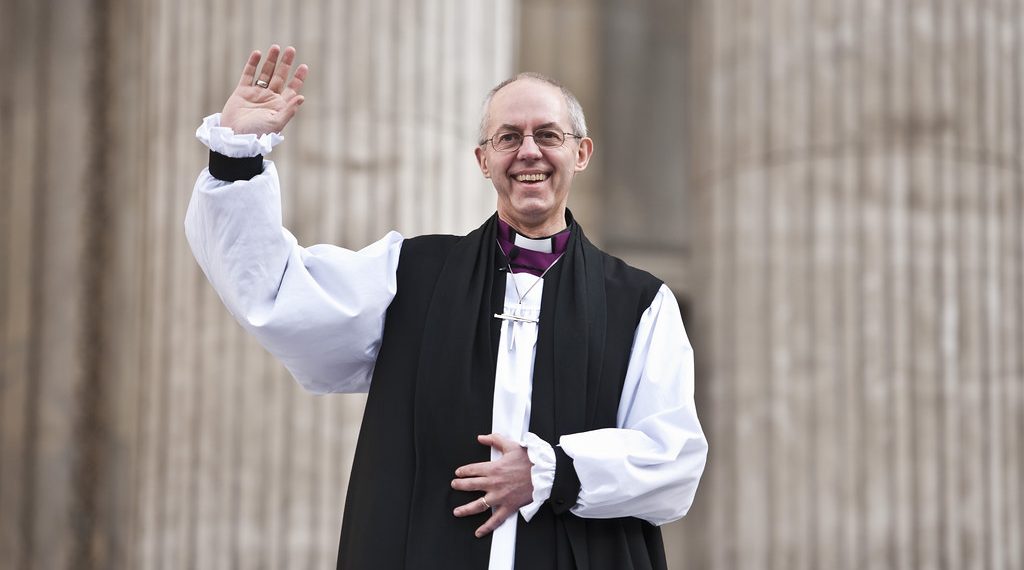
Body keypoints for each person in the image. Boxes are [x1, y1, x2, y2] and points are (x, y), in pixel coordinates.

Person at [185, 45, 707, 570]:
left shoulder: (640, 302)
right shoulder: (411, 273)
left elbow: (674, 458)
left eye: (548, 135)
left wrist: (551, 471)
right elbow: (279, 293)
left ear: (581, 153)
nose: (529, 151)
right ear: (484, 160)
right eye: (508, 138)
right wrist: (238, 154)